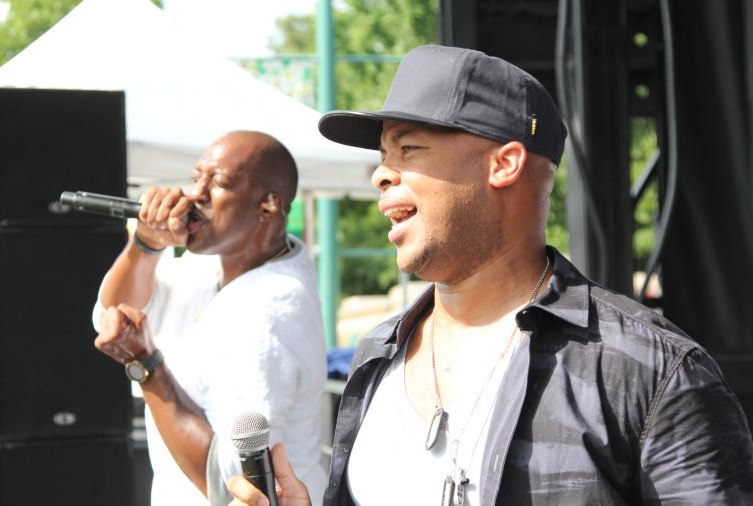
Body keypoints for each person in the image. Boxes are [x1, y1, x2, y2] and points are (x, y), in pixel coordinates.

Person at [226, 45, 753, 506]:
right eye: (384, 156)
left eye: (408, 149)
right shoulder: (378, 353)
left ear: (504, 164)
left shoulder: (647, 370)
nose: (382, 173)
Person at [92, 130, 328, 506]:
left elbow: (231, 483)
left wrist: (145, 365)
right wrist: (147, 243)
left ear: (269, 205)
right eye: (195, 177)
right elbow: (113, 316)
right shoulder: (212, 264)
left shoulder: (269, 311)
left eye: (217, 182)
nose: (194, 195)